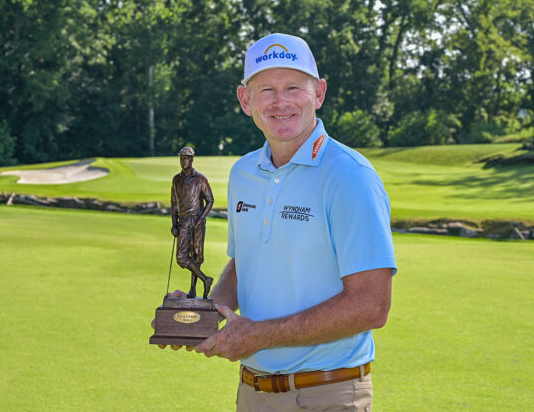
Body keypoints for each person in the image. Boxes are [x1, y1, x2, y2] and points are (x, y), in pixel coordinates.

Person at [157, 33, 397, 411]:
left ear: (318, 93)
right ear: (245, 100)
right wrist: (199, 311)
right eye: (265, 89)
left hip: (326, 394)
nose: (280, 101)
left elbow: (371, 305)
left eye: (293, 87)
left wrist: (258, 335)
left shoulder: (350, 176)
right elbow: (244, 265)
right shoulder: (243, 172)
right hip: (252, 394)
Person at [170, 146, 214, 299]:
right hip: (183, 222)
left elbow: (210, 200)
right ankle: (205, 279)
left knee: (197, 256)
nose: (183, 161)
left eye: (186, 158)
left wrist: (201, 219)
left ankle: (193, 290)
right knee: (181, 258)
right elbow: (174, 204)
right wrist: (174, 224)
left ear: (192, 159)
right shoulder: (176, 180)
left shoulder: (200, 179)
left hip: (197, 220)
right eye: (181, 158)